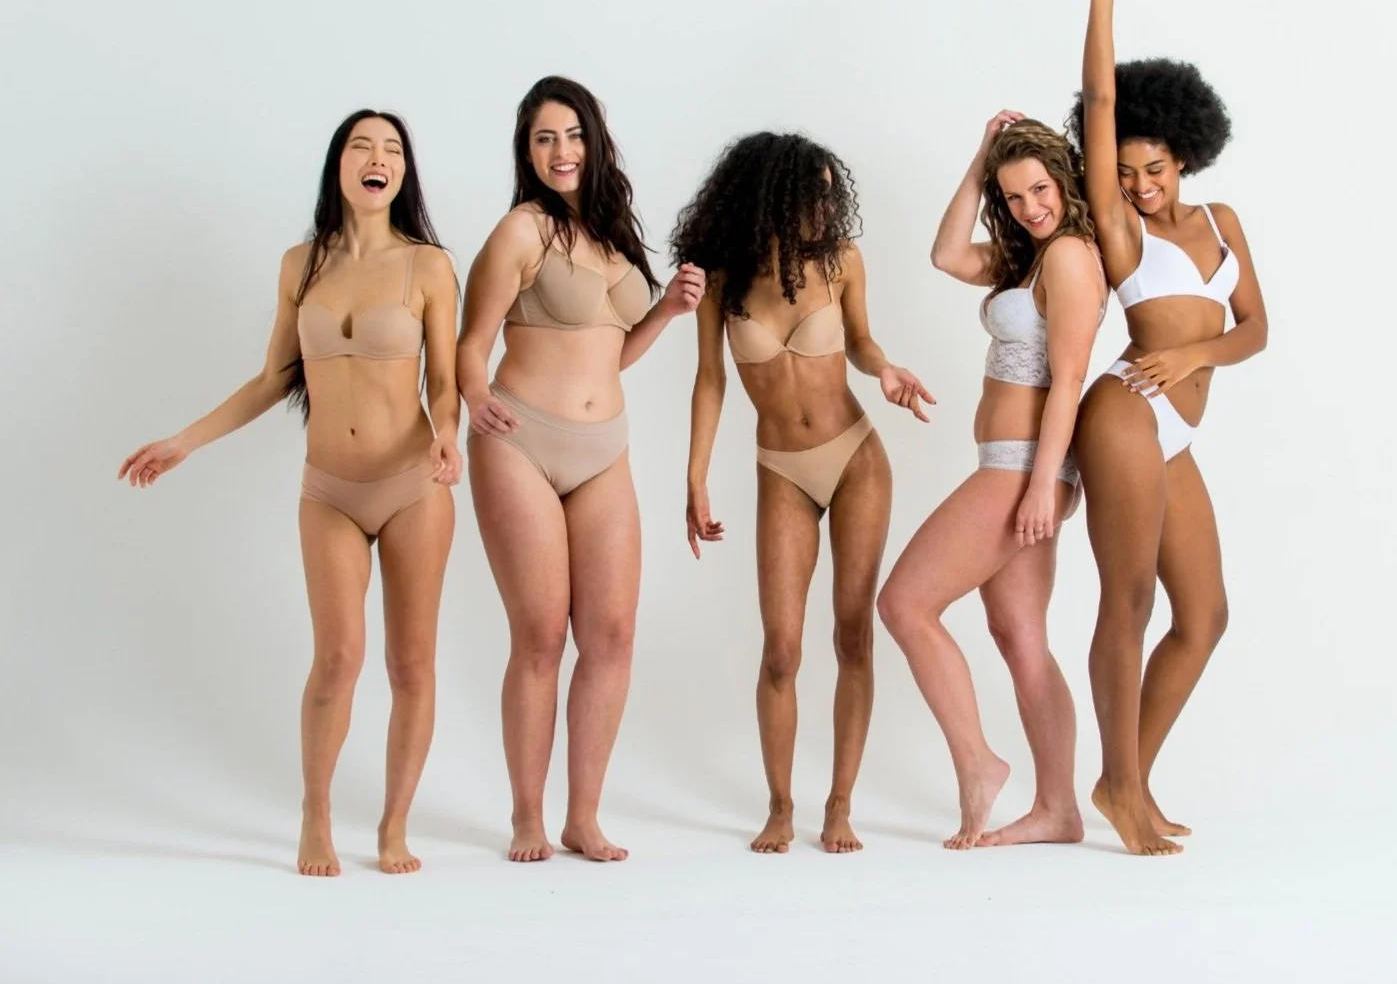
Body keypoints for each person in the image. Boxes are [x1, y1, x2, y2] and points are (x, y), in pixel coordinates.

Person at [118, 110, 462, 877]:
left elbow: (443, 382)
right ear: (338, 165)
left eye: (393, 150)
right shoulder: (299, 265)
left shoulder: (430, 266)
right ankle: (317, 811)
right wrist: (185, 439)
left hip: (413, 485)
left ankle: (396, 824)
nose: (378, 159)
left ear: (404, 173)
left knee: (412, 664)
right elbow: (274, 378)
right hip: (329, 491)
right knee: (337, 658)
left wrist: (448, 431)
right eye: (361, 147)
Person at [457, 76, 704, 864]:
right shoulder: (519, 232)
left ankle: (583, 816)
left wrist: (664, 310)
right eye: (544, 139)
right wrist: (471, 399)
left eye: (572, 135)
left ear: (594, 142)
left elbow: (613, 353)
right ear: (528, 154)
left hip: (605, 449)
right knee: (539, 634)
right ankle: (527, 817)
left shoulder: (612, 235)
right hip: (520, 439)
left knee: (612, 634)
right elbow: (472, 342)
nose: (561, 151)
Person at [669, 131, 932, 854]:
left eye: (828, 191)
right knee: (781, 650)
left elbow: (862, 342)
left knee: (852, 632)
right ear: (770, 199)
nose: (825, 206)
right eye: (810, 193)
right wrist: (693, 474)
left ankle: (839, 805)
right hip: (780, 469)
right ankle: (780, 805)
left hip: (855, 459)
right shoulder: (723, 279)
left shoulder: (842, 261)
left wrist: (886, 370)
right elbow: (711, 378)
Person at [1069, 0, 1268, 855]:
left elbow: (1256, 329)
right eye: (1123, 174)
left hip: (1175, 420)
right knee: (1132, 600)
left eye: (1154, 169)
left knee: (1206, 616)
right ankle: (1122, 792)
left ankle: (1124, 783)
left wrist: (1198, 358)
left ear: (1186, 157)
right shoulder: (1122, 234)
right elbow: (1102, 98)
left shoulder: (1222, 221)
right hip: (1123, 411)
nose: (1140, 185)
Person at [878, 112, 1105, 849]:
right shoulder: (1027, 258)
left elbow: (1068, 378)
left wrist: (1044, 485)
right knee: (1020, 635)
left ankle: (979, 763)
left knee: (904, 602)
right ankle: (1058, 809)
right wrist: (982, 157)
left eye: (1039, 188)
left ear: (1063, 182)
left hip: (1021, 468)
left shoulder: (1069, 254)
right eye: (1012, 197)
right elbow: (946, 253)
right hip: (1011, 465)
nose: (1029, 206)